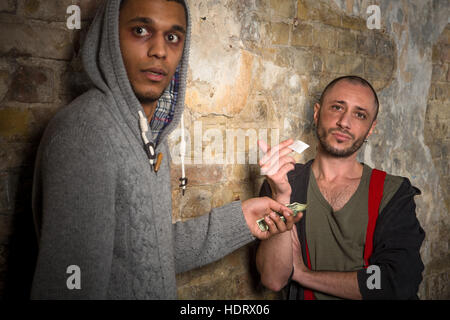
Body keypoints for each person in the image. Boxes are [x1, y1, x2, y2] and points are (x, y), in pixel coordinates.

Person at [30, 0, 299, 299]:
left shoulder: (149, 133)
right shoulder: (86, 133)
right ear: (110, 38)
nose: (159, 50)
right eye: (141, 30)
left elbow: (146, 250)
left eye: (173, 37)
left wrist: (241, 219)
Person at [256, 75, 425, 300]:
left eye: (359, 114)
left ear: (371, 128)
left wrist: (304, 275)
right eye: (337, 107)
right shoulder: (284, 183)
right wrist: (281, 195)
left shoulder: (393, 193)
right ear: (317, 113)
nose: (344, 122)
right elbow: (274, 279)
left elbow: (396, 282)